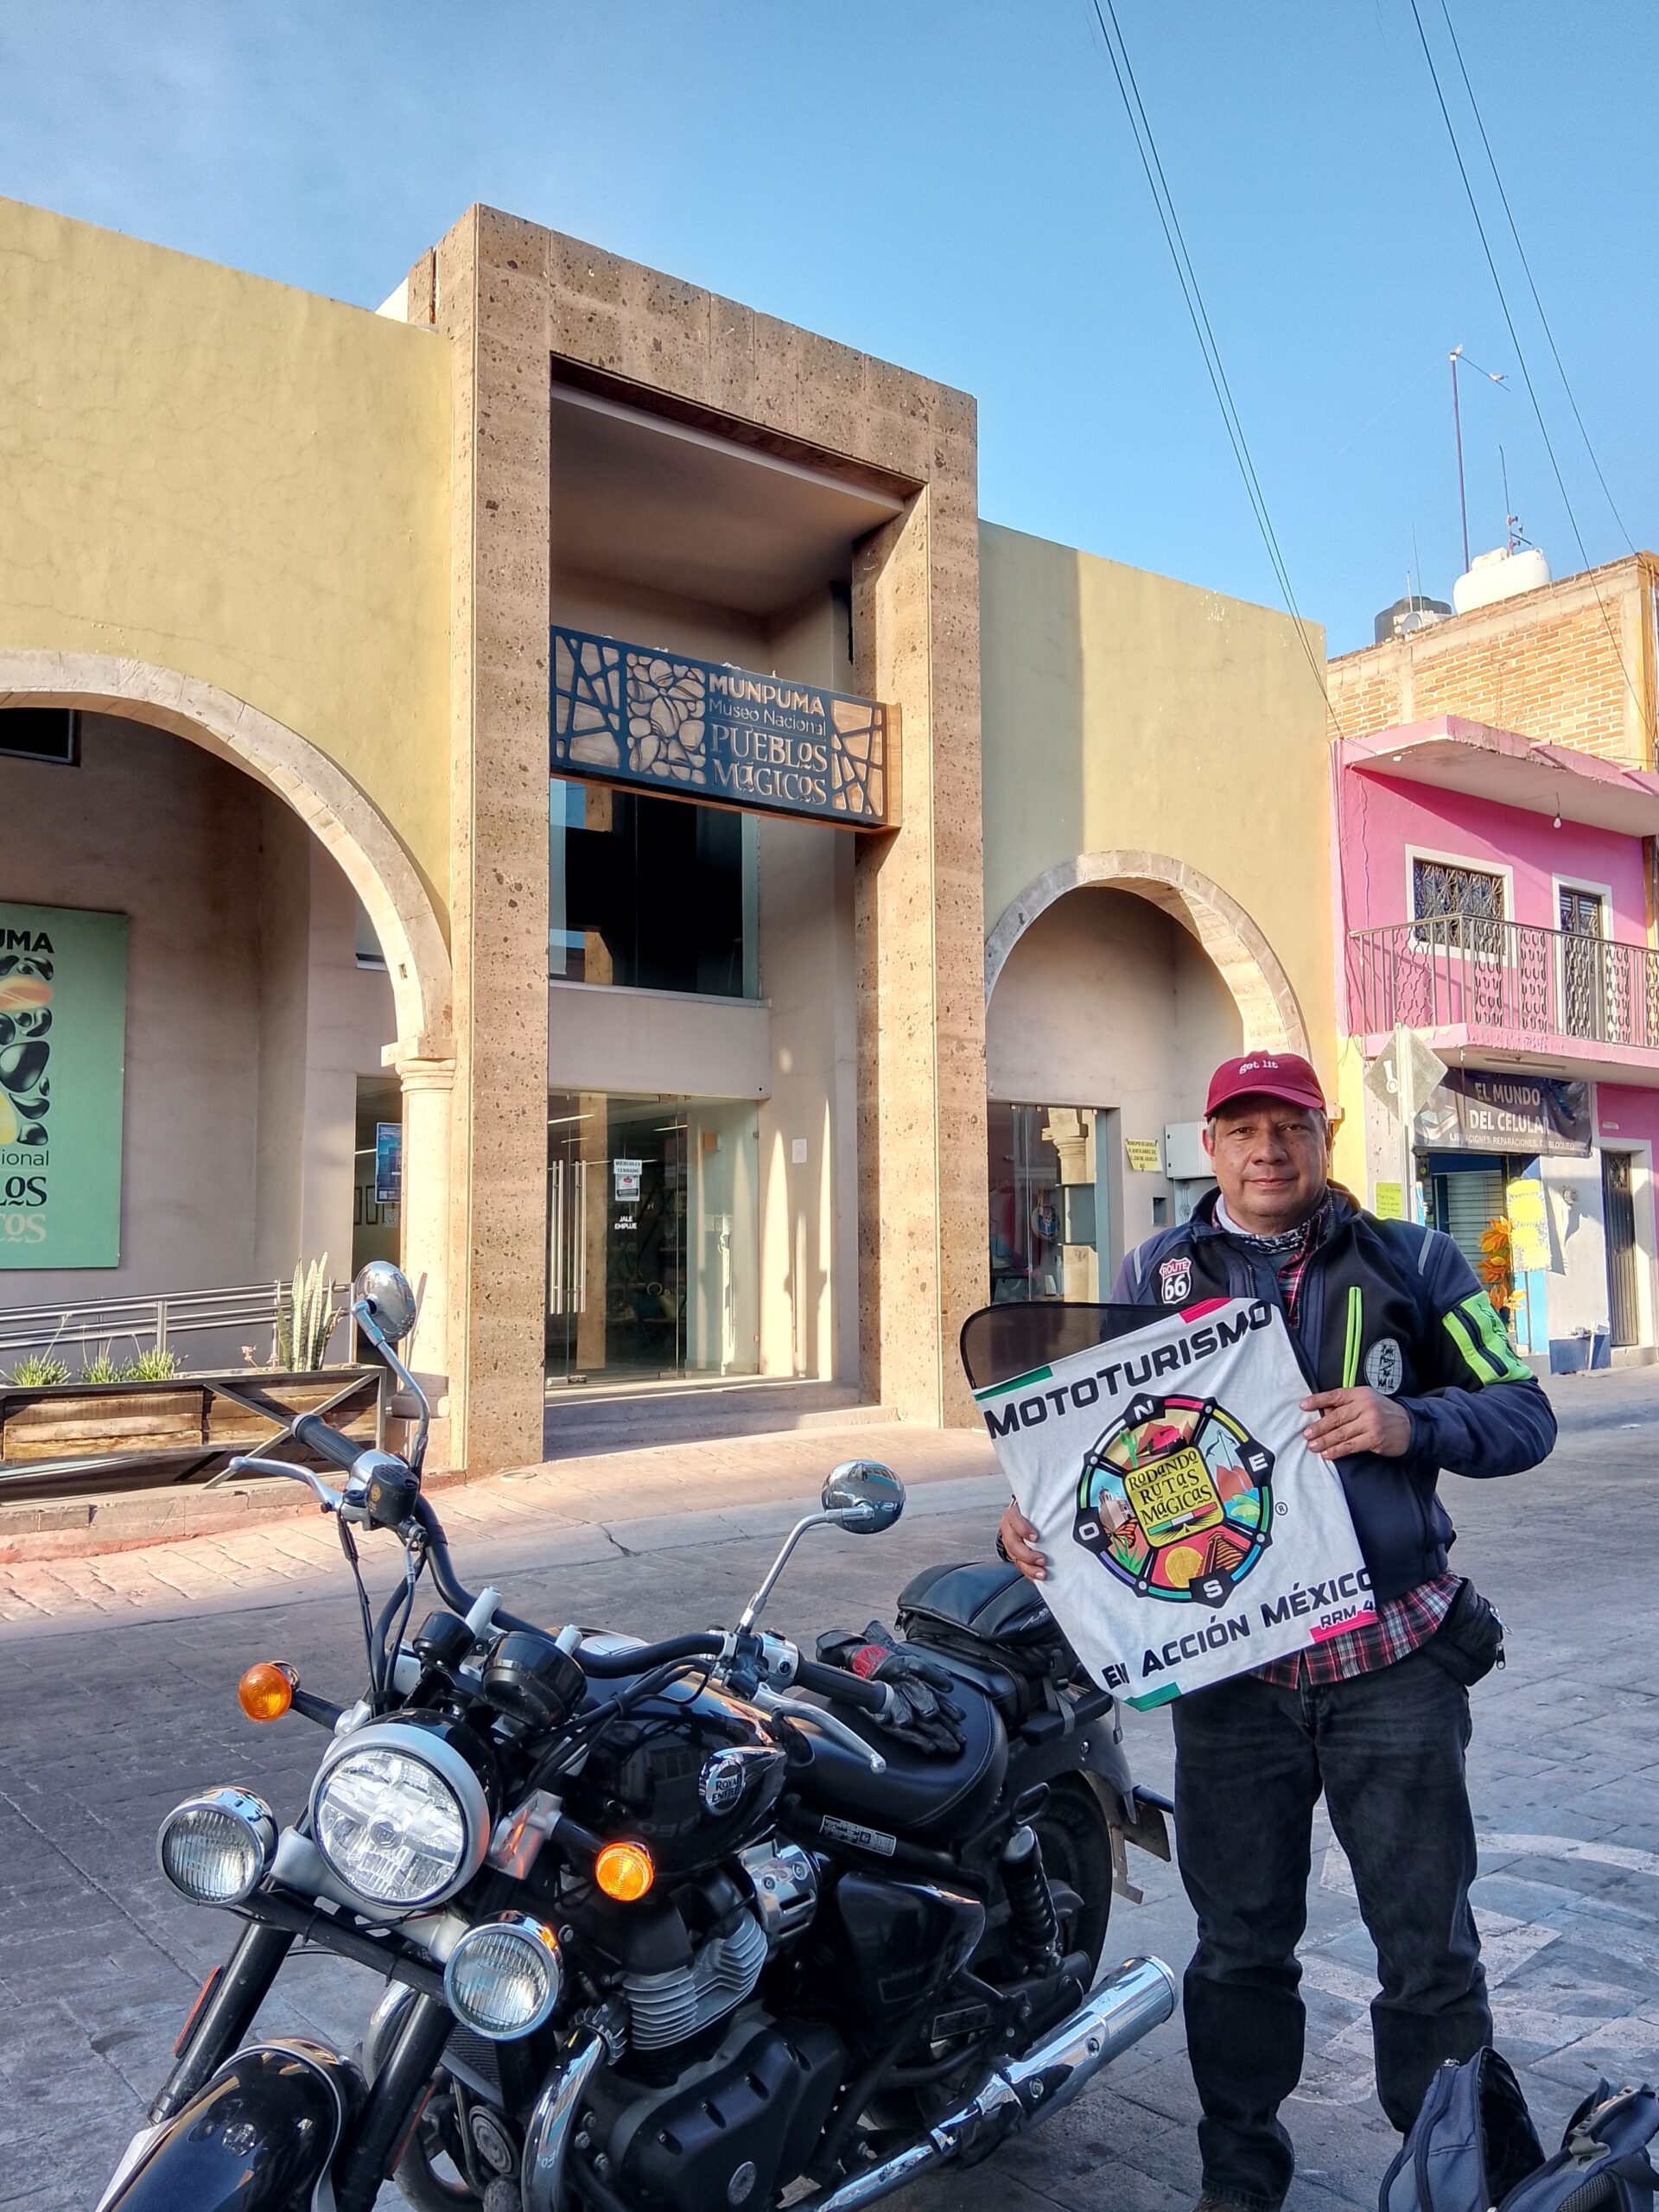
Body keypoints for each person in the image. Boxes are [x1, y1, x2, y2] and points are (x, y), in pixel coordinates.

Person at [998, 1052, 1555, 2212]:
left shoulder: (1417, 1259)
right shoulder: (1151, 1275)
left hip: (1391, 1665)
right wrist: (1034, 1519)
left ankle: (1454, 2178)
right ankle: (1239, 2178)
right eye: (1243, 1128)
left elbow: (1524, 1411)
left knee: (1429, 1949)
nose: (1268, 1150)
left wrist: (1411, 1421)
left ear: (1324, 1131)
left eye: (1289, 1125)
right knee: (1240, 1948)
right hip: (1231, 1681)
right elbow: (1091, 1447)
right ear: (1211, 1144)